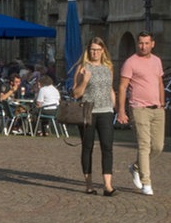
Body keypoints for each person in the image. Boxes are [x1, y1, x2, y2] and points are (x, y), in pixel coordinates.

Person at [118, 31, 165, 197]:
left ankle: (135, 167)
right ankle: (147, 182)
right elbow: (122, 87)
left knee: (158, 147)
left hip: (157, 108)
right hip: (138, 108)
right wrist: (121, 111)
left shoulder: (157, 61)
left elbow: (159, 82)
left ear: (152, 44)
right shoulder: (130, 62)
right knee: (144, 145)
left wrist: (162, 103)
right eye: (140, 43)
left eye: (146, 43)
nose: (143, 46)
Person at [71, 37, 118, 196]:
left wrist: (115, 107)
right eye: (92, 49)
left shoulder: (108, 67)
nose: (95, 53)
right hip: (88, 112)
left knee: (107, 147)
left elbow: (110, 88)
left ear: (103, 50)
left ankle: (108, 185)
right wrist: (84, 81)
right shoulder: (82, 67)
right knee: (88, 147)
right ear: (88, 50)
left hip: (106, 111)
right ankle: (89, 185)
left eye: (98, 50)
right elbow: (76, 93)